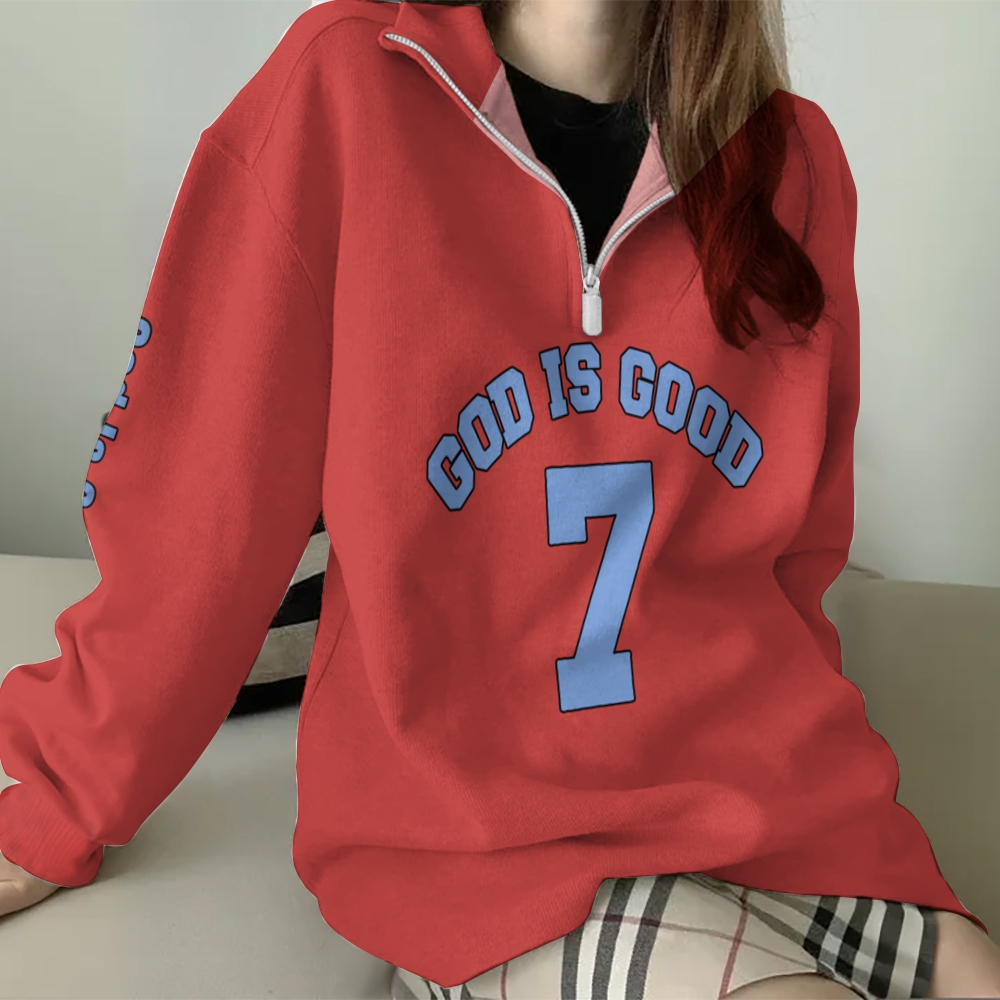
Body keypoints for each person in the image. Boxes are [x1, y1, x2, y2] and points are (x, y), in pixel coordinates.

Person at [1, 0, 998, 996]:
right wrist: (58, 802)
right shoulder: (345, 90)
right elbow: (199, 519)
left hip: (774, 808)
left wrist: (849, 815)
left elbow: (794, 562)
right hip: (498, 849)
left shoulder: (793, 161)